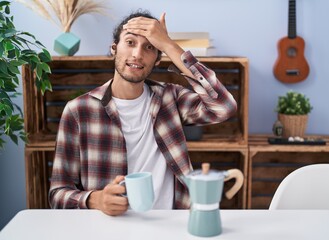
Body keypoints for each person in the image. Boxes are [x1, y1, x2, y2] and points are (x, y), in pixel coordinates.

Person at [49, 10, 237, 216]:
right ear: (114, 49)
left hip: (173, 223)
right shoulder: (78, 111)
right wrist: (96, 199)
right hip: (111, 227)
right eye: (130, 43)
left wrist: (168, 45)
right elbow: (58, 194)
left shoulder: (170, 98)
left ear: (157, 59)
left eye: (149, 47)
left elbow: (224, 107)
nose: (137, 54)